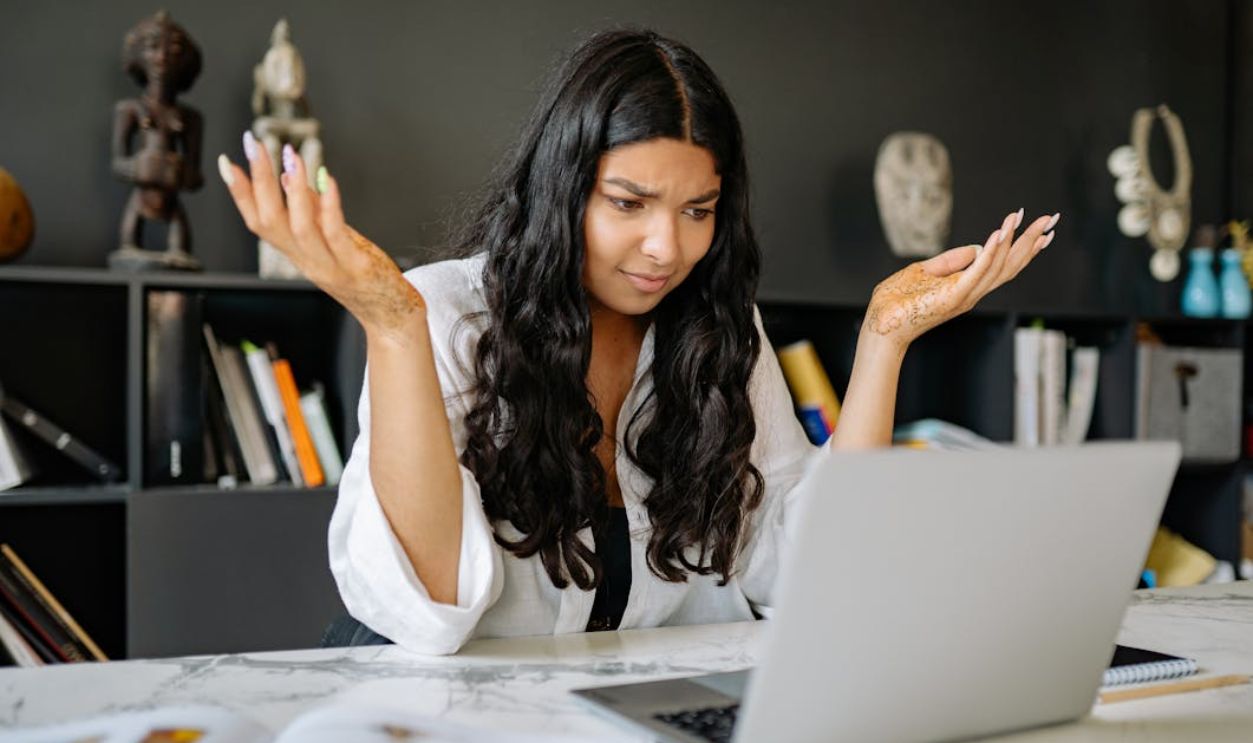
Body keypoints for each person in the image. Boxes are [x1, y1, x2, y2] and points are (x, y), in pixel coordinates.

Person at [217, 29, 1059, 654]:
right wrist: (394, 328)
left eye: (698, 211)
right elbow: (430, 606)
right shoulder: (443, 312)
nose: (667, 247)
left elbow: (817, 571)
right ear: (563, 189)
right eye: (627, 203)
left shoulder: (715, 331)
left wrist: (883, 343)